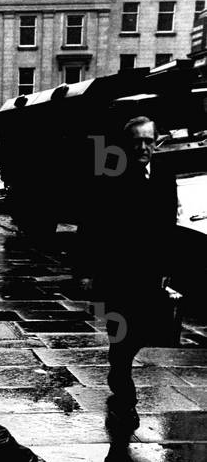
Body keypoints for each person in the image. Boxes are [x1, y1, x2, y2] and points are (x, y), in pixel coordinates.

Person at [80, 116, 178, 439]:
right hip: (119, 276)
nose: (143, 147)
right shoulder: (112, 177)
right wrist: (90, 273)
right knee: (120, 341)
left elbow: (168, 227)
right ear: (127, 145)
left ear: (156, 142)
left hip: (150, 277)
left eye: (149, 141)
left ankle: (117, 376)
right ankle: (125, 397)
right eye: (137, 141)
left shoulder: (164, 175)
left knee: (141, 333)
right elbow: (95, 226)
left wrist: (167, 269)